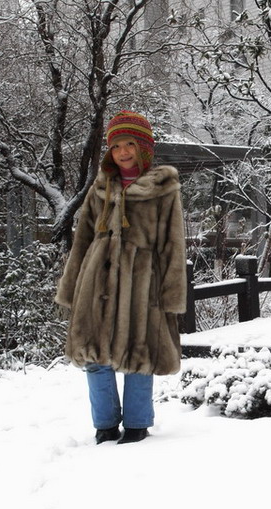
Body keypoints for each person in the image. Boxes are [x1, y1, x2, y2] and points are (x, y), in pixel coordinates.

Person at [55, 110, 187, 444]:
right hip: (95, 284)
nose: (123, 152)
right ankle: (105, 425)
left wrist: (171, 297)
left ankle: (138, 425)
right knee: (93, 356)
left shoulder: (163, 190)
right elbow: (82, 240)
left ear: (144, 147)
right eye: (116, 146)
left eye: (130, 144)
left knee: (138, 356)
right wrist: (71, 288)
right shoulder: (99, 189)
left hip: (143, 285)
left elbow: (173, 245)